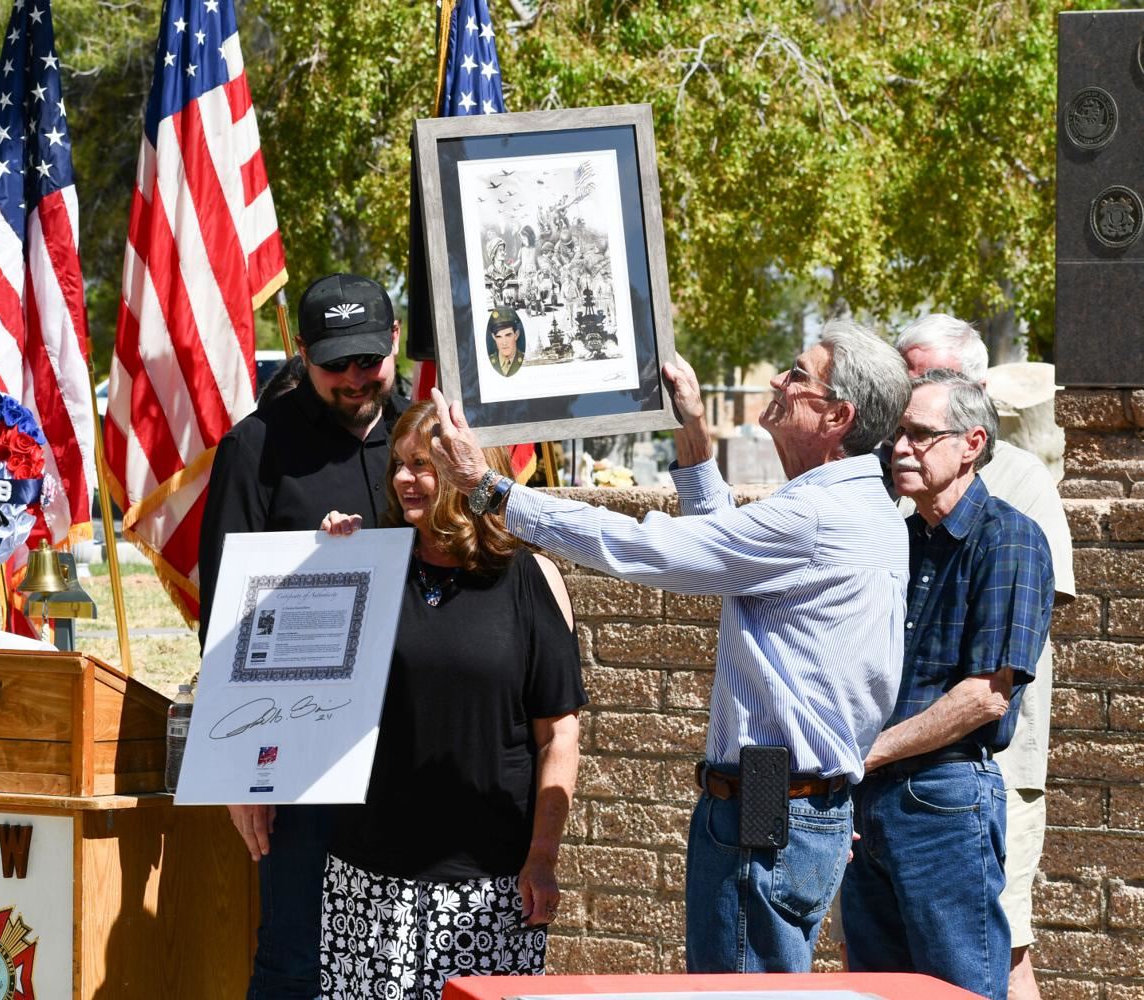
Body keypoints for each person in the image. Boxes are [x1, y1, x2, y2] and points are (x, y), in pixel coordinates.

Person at [427, 319, 913, 973]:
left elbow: (658, 550)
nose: (776, 379)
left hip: (769, 807)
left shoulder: (815, 516)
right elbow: (725, 550)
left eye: (797, 375)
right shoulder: (858, 507)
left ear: (838, 415)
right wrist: (691, 433)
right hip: (790, 801)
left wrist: (494, 493)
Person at [316, 400, 584, 1000]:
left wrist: (542, 855)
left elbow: (557, 735)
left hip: (487, 884)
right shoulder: (369, 564)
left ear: (467, 471)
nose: (405, 479)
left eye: (424, 465)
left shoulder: (529, 576)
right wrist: (328, 564)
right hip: (370, 877)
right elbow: (309, 684)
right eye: (399, 465)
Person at [198, 272, 408, 1000]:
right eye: (335, 364)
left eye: (368, 360)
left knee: (402, 957)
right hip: (301, 762)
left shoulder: (431, 442)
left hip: (419, 746)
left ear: (395, 343)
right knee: (296, 960)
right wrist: (239, 774)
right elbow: (224, 618)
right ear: (300, 351)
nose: (355, 379)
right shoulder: (255, 447)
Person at [841, 369, 1055, 1000]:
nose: (899, 448)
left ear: (972, 443)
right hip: (868, 800)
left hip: (944, 799)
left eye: (919, 435)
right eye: (896, 435)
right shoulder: (897, 539)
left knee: (957, 990)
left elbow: (987, 693)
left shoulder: (1009, 537)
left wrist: (865, 755)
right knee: (877, 991)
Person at [896, 315, 1076, 1000]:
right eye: (909, 382)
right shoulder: (902, 488)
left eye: (932, 380)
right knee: (889, 960)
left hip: (989, 766)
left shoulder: (1018, 485)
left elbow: (1003, 662)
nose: (915, 398)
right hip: (900, 767)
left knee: (997, 954)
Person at [487, 307, 527, 377]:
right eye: (499, 337)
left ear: (516, 335)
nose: (504, 343)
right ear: (493, 337)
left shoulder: (526, 359)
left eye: (508, 335)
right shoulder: (488, 362)